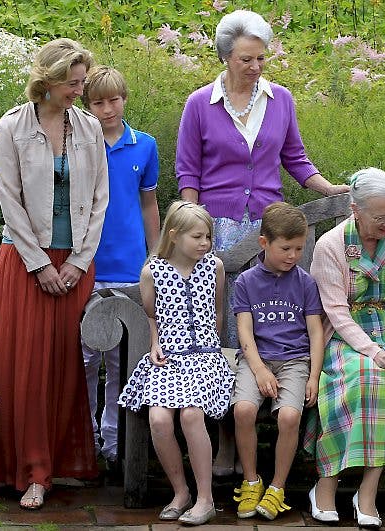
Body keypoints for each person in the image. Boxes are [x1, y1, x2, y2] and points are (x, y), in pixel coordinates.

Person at [175, 9, 346, 475]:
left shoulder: (281, 100)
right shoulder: (200, 104)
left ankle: (282, 436)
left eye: (261, 58)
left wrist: (328, 189)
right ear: (227, 57)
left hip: (269, 231)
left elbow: (295, 158)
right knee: (226, 334)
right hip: (220, 231)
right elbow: (189, 172)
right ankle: (229, 441)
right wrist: (194, 227)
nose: (256, 67)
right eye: (247, 59)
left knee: (277, 328)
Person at [0, 38, 107, 510]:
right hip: (27, 263)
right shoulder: (13, 125)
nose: (79, 91)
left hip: (74, 265)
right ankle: (31, 471)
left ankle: (58, 464)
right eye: (72, 84)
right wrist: (42, 264)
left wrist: (78, 263)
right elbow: (9, 201)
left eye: (82, 83)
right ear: (46, 82)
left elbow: (100, 201)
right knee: (25, 367)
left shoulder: (88, 127)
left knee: (66, 367)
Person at [306, 167, 385, 528]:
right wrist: (373, 351)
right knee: (364, 378)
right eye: (380, 217)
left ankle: (368, 491)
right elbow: (337, 314)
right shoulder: (331, 246)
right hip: (345, 333)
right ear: (354, 209)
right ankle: (325, 484)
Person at [117, 201, 235, 526]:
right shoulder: (151, 271)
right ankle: (181, 492)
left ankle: (206, 499)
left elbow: (218, 313)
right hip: (168, 358)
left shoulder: (214, 267)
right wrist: (155, 344)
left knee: (192, 414)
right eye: (197, 236)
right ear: (174, 235)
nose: (205, 243)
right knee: (158, 419)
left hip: (206, 358)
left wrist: (213, 349)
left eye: (208, 237)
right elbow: (153, 318)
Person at [79, 65, 160, 469]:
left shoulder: (144, 145)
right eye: (98, 102)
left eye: (114, 99)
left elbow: (148, 203)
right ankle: (84, 441)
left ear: (125, 98)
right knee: (86, 358)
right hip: (86, 266)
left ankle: (113, 443)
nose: (107, 108)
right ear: (86, 103)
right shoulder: (77, 145)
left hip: (130, 267)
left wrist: (156, 254)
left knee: (120, 362)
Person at [230, 202, 324, 520]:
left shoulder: (305, 283)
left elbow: (315, 333)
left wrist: (313, 376)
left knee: (288, 418)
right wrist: (257, 369)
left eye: (298, 249)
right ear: (264, 243)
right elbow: (244, 331)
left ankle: (277, 487)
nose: (293, 256)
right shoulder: (246, 283)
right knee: (243, 409)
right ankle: (251, 480)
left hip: (296, 361)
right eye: (286, 248)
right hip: (256, 360)